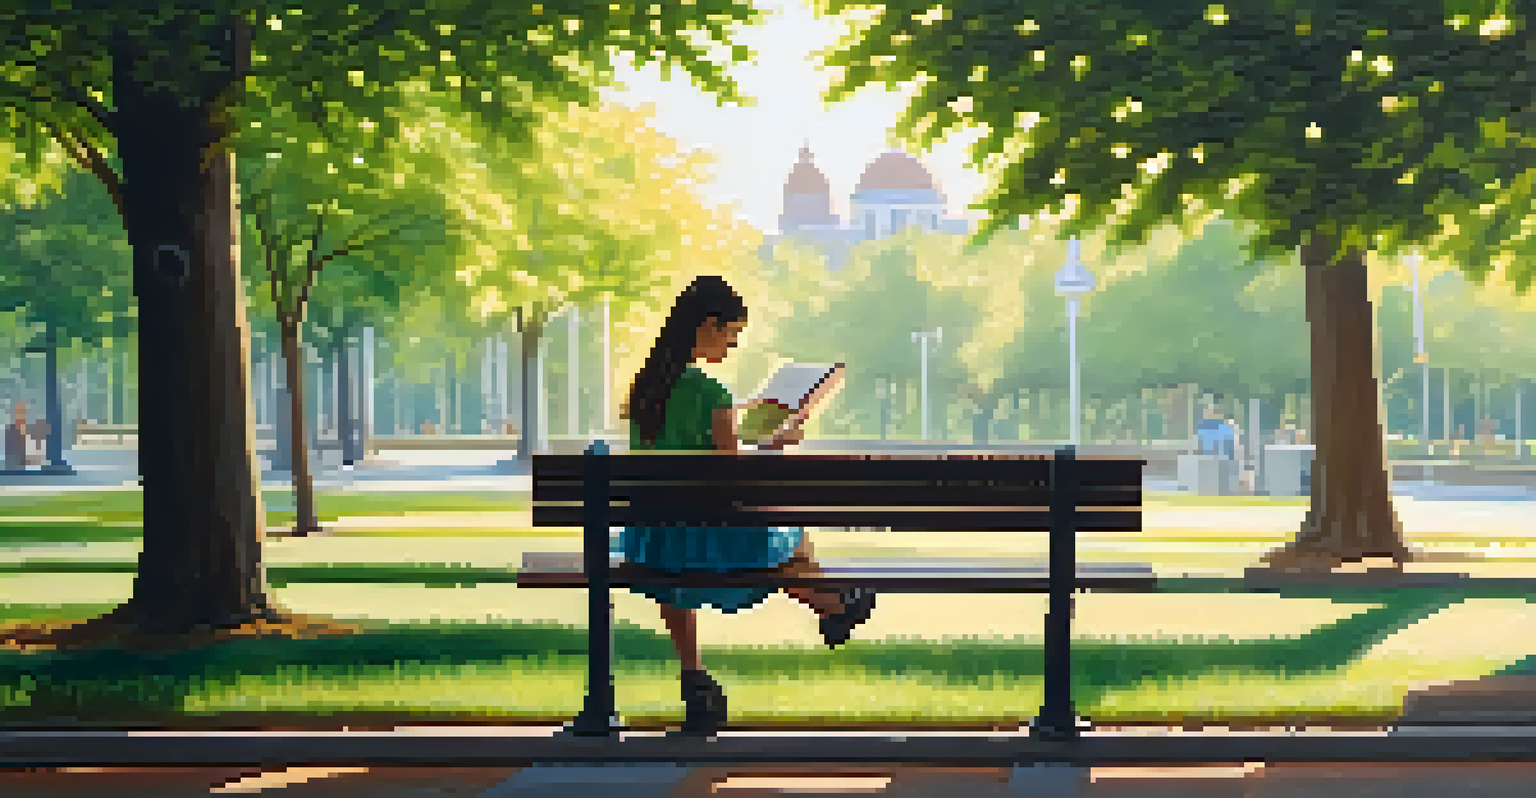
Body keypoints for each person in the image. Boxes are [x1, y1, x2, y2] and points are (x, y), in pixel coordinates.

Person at [618, 275, 876, 736]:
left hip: (652, 542)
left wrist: (740, 418)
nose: (733, 347)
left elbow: (687, 451)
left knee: (695, 548)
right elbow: (730, 476)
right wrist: (777, 442)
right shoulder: (712, 394)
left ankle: (693, 677)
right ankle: (833, 603)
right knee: (787, 536)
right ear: (709, 326)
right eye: (732, 335)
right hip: (712, 541)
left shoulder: (646, 388)